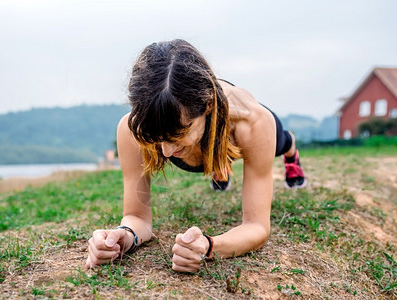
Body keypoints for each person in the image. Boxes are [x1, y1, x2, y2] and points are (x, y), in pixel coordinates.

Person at [85, 39, 306, 273]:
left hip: (232, 124)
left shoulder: (252, 121)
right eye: (156, 137)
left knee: (280, 142)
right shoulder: (133, 130)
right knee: (197, 150)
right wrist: (124, 234)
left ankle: (288, 150)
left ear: (208, 106)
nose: (165, 151)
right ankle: (218, 164)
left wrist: (210, 247)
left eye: (177, 134)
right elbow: (136, 217)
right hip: (211, 136)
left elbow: (257, 227)